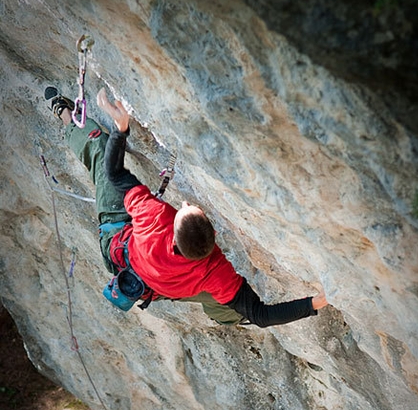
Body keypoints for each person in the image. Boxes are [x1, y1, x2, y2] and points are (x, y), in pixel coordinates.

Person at [45, 86, 328, 327]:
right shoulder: (215, 272)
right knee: (228, 301)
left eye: (185, 208)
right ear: (213, 237)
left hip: (118, 244)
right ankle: (228, 317)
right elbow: (262, 315)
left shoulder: (154, 217)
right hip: (158, 286)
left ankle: (68, 117)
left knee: (99, 147)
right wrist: (321, 300)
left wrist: (121, 130)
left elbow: (114, 173)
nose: (184, 201)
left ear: (175, 224)